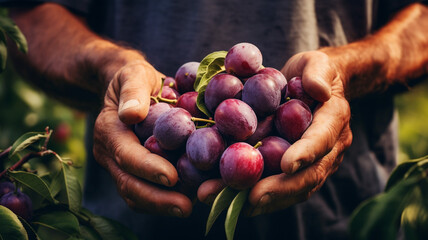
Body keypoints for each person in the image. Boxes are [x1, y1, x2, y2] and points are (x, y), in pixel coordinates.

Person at [2, 0, 428, 239]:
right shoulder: (224, 114)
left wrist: (351, 69)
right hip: (134, 223)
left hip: (342, 221)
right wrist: (107, 66)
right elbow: (31, 14)